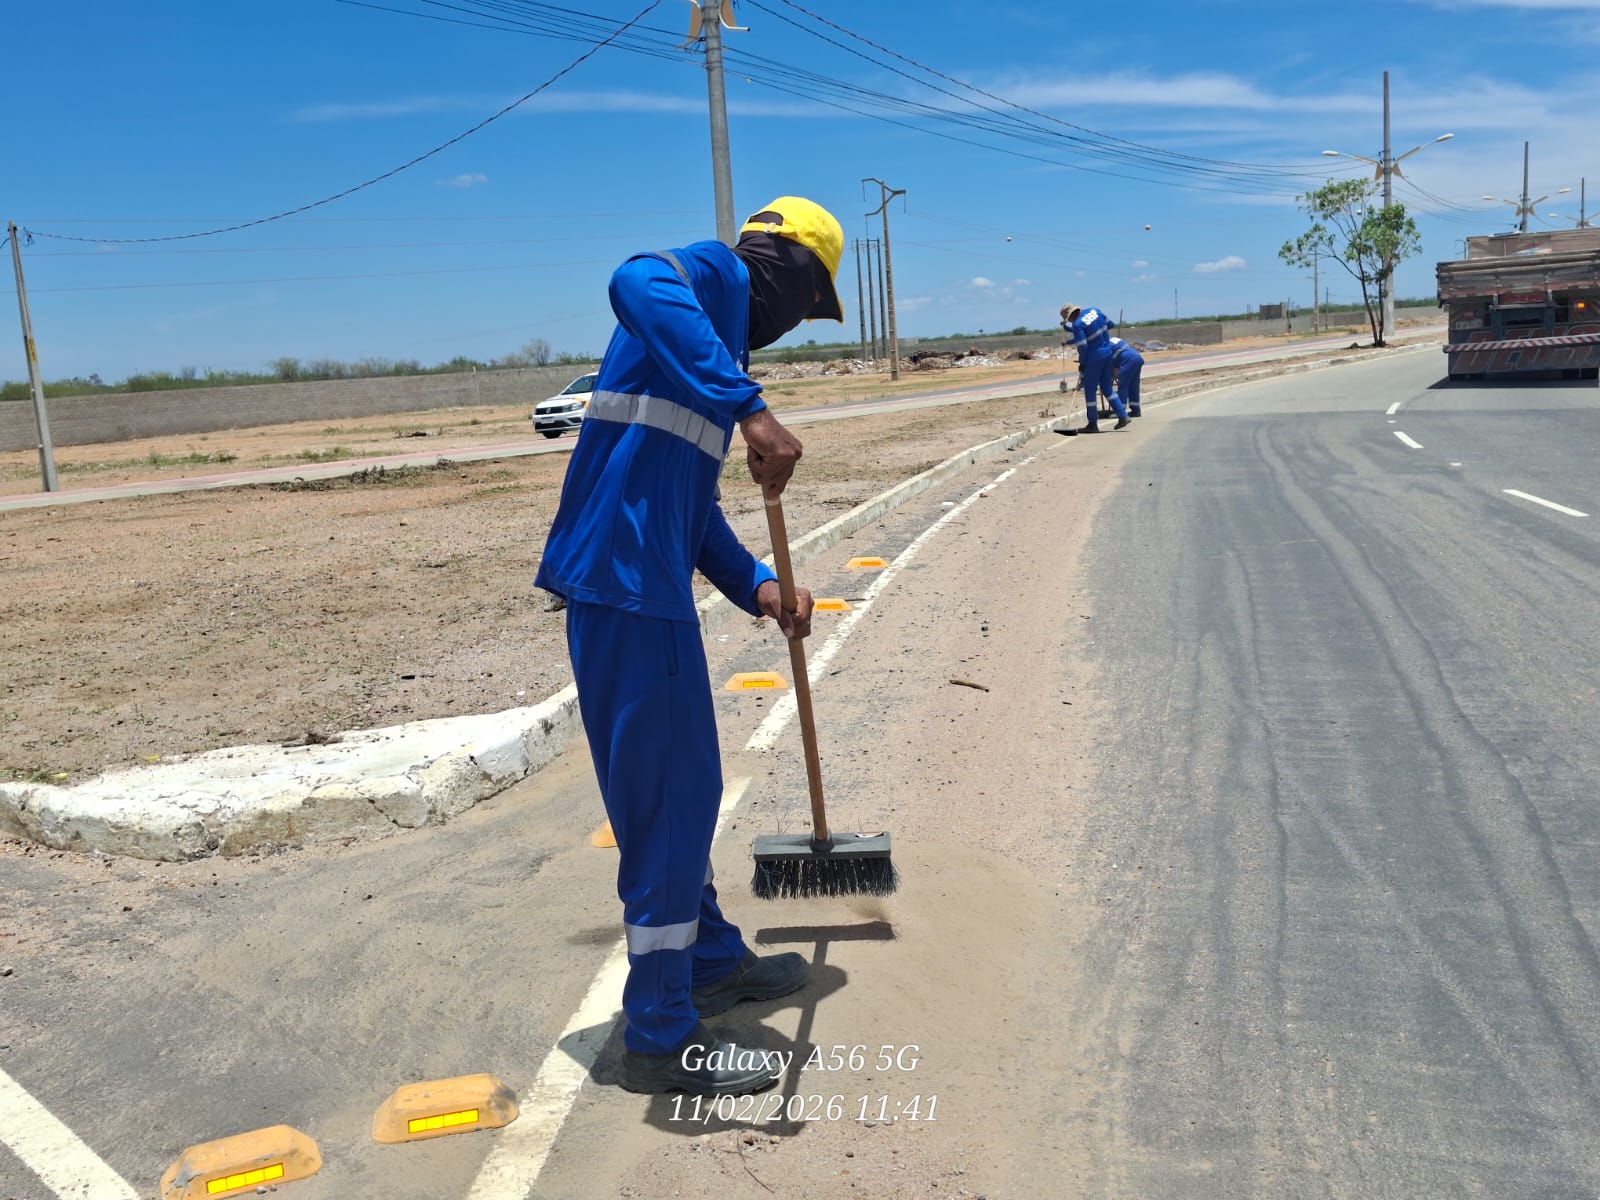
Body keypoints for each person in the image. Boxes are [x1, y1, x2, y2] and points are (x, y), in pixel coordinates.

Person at [535, 196, 846, 1097]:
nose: (795, 327)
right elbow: (633, 277)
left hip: (642, 583)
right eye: (809, 303)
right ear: (786, 272)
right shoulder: (712, 276)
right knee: (672, 802)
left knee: (677, 795)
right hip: (624, 585)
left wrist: (757, 585)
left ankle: (708, 961)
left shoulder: (714, 350)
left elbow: (694, 506)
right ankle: (663, 1032)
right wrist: (750, 409)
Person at [1060, 303, 1130, 432]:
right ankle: (1123, 415)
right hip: (1108, 353)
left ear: (1070, 317)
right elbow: (1110, 324)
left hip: (1095, 358)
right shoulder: (1095, 311)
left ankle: (1092, 424)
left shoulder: (1077, 324)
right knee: (1107, 388)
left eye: (1068, 319)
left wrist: (1083, 363)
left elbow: (1083, 347)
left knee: (1090, 390)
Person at [1108, 334, 1145, 417]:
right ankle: (1135, 410)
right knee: (1133, 386)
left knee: (1123, 386)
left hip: (1127, 361)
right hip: (1137, 358)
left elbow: (1107, 362)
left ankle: (1120, 412)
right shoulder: (1114, 339)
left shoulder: (1105, 344)